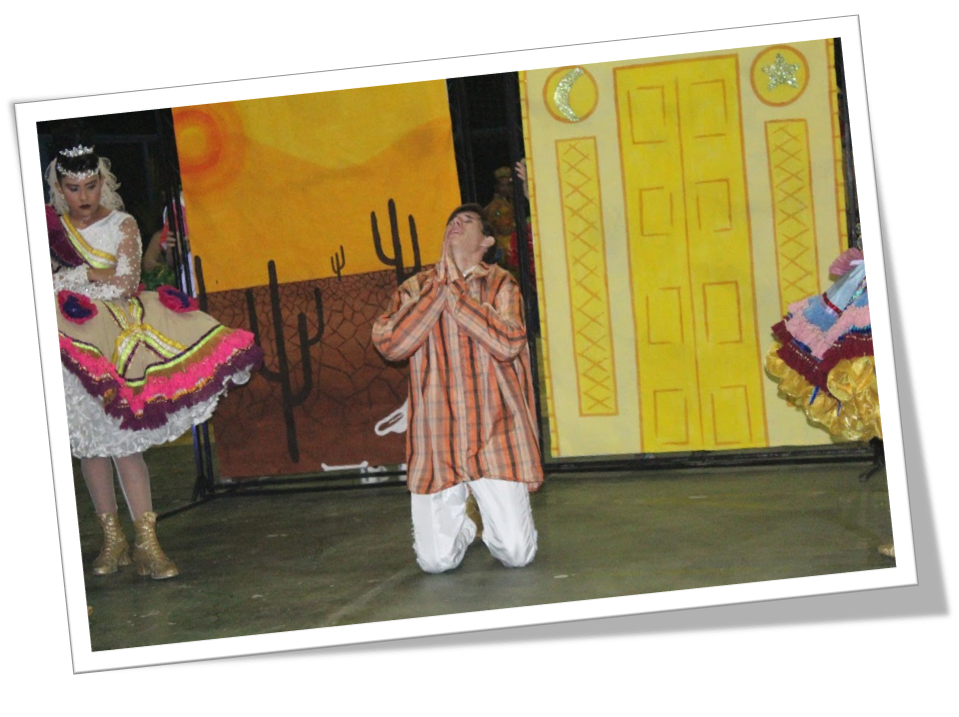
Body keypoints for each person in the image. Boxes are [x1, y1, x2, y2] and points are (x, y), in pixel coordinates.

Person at [47, 140, 263, 579]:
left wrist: (73, 278)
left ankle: (148, 543)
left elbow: (125, 283)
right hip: (71, 342)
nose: (83, 196)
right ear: (59, 188)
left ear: (103, 182)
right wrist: (87, 274)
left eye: (91, 185)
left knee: (123, 442)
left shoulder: (122, 224)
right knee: (89, 444)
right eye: (73, 188)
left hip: (119, 340)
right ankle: (113, 541)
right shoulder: (52, 230)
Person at [372, 204, 543, 573]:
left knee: (517, 554)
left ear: (486, 241)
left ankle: (487, 514)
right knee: (435, 563)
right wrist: (438, 290)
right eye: (451, 221)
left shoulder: (501, 284)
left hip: (496, 433)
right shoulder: (415, 288)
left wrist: (457, 295)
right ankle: (466, 524)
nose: (455, 224)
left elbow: (509, 342)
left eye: (467, 221)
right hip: (438, 439)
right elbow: (390, 344)